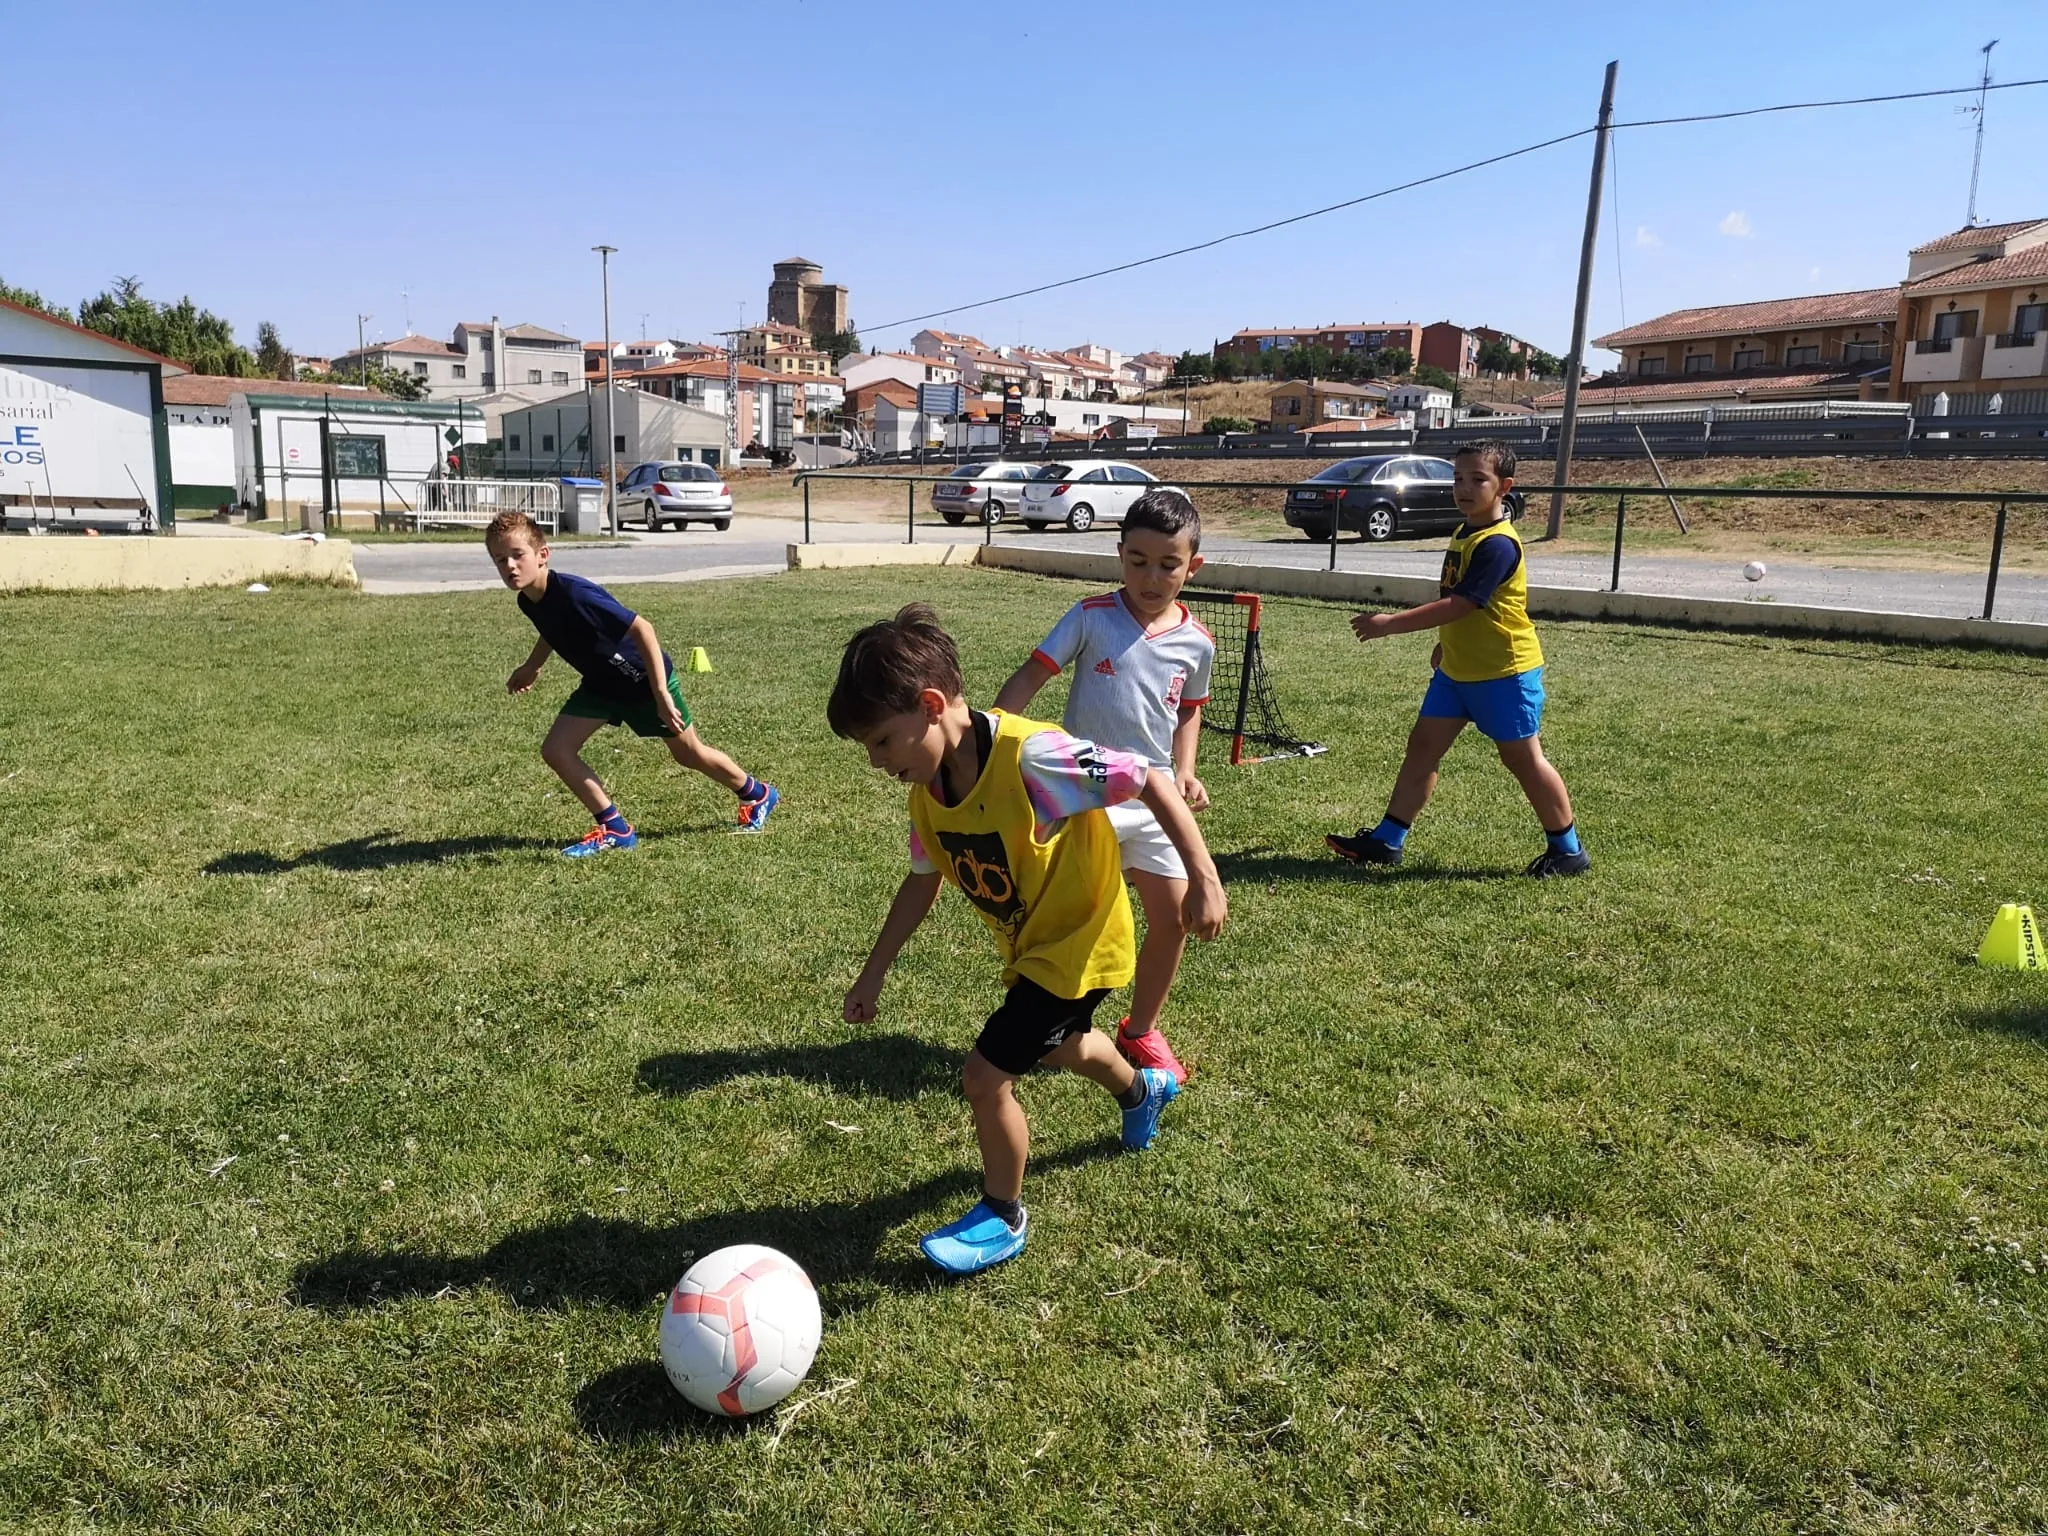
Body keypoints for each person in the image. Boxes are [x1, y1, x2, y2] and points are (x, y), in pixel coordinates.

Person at [832, 604, 1227, 1276]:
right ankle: (1141, 1091)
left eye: (882, 741)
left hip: (1081, 946)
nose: (876, 762)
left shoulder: (1034, 757)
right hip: (1034, 951)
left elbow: (1150, 776)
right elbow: (920, 882)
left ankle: (1002, 1213)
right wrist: (873, 973)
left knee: (985, 1079)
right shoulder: (928, 791)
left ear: (931, 706)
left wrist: (1204, 878)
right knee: (1063, 1046)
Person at [992, 488, 1213, 1084]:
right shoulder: (1091, 616)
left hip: (1157, 796)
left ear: (1192, 566)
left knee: (1172, 919)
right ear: (1119, 556)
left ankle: (1140, 1029)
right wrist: (994, 739)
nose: (1151, 576)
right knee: (1072, 922)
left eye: (1168, 564)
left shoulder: (1198, 642)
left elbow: (1189, 709)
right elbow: (1032, 675)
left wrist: (1185, 768)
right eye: (1137, 561)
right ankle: (1054, 1022)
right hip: (1088, 794)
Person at [1325, 439, 1589, 878]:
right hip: (1456, 672)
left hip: (1504, 673)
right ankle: (1388, 841)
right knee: (1422, 749)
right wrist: (1447, 645)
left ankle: (1568, 851)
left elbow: (1462, 604)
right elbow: (1457, 602)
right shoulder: (1464, 532)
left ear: (1504, 486)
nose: (1464, 488)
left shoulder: (1498, 545)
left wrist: (1390, 623)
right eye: (1458, 479)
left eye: (1478, 480)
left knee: (1523, 760)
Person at [484, 511, 778, 856]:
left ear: (542, 555)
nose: (510, 566)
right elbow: (552, 629)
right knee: (556, 750)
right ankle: (615, 829)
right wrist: (533, 666)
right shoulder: (528, 600)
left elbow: (643, 629)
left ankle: (757, 794)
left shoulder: (576, 593)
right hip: (601, 685)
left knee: (689, 754)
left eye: (518, 555)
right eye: (500, 560)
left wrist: (661, 694)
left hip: (641, 682)